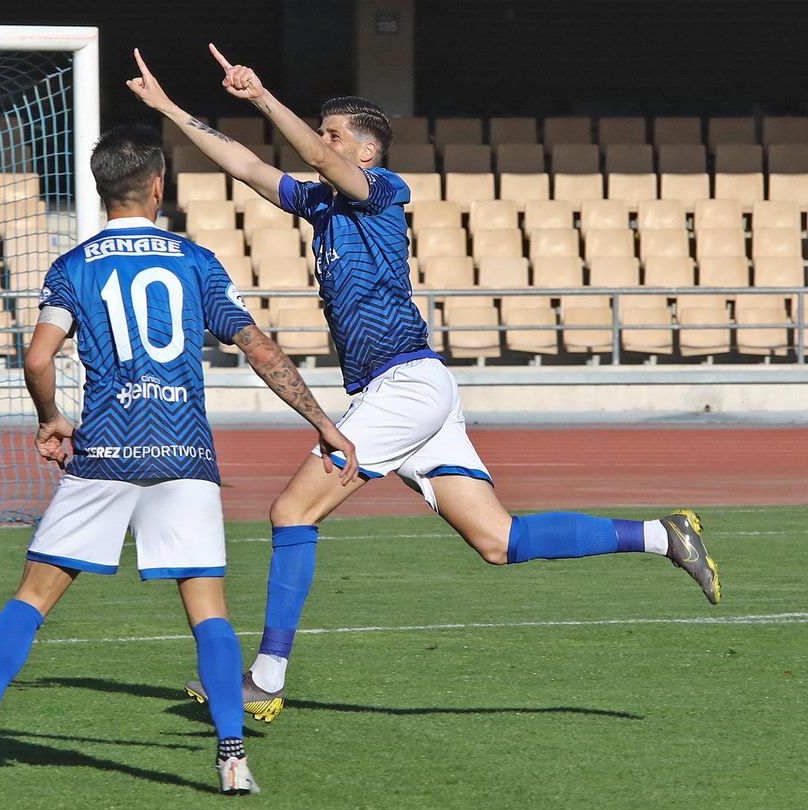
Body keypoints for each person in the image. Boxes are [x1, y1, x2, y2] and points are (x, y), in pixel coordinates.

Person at [128, 46, 721, 724]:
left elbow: (319, 161)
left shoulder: (383, 191)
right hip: (412, 389)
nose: (321, 145)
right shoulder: (322, 206)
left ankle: (265, 678)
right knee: (501, 542)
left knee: (292, 513)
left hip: (403, 387)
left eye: (334, 134)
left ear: (367, 153)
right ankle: (662, 535)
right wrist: (170, 107)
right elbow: (249, 166)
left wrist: (261, 97)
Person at [0, 124, 358, 796]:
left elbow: (37, 358)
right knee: (207, 610)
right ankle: (233, 759)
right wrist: (324, 422)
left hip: (106, 452)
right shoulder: (196, 261)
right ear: (157, 184)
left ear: (98, 187)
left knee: (32, 598)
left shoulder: (74, 266)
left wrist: (49, 419)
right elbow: (260, 349)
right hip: (183, 451)